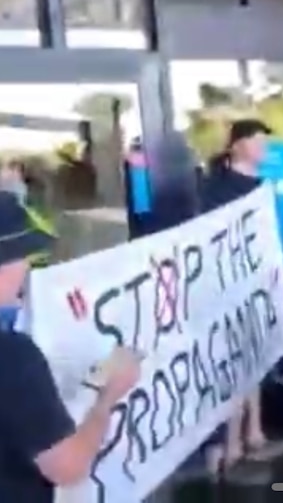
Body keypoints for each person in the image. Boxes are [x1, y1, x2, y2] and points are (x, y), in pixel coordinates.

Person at [0, 192, 141, 502]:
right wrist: (108, 397)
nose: (27, 267)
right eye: (24, 255)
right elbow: (68, 466)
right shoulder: (13, 357)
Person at [199, 118, 271, 472]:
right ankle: (230, 440)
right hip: (227, 287)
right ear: (238, 145)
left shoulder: (260, 185)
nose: (264, 149)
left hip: (257, 281)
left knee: (255, 355)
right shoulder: (215, 188)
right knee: (234, 362)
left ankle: (253, 428)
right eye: (258, 141)